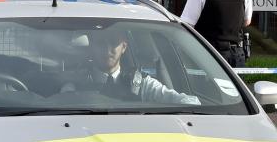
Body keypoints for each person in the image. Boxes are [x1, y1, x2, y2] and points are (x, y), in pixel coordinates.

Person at [65, 27, 200, 106]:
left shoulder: (141, 83)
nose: (107, 49)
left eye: (113, 42)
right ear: (91, 47)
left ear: (124, 47)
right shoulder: (76, 84)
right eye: (100, 43)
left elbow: (188, 102)